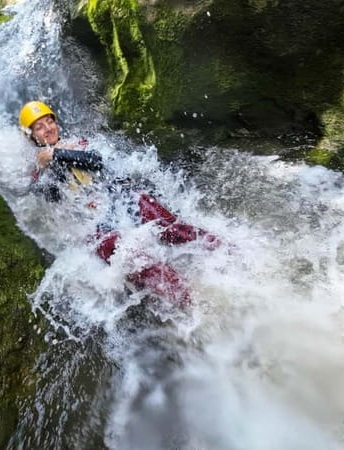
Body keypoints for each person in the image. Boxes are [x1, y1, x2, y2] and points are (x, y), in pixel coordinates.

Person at [18, 101, 218, 306]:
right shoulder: (37, 170)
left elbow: (97, 161)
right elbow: (47, 197)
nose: (48, 129)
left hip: (120, 200)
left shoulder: (77, 144)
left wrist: (56, 154)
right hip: (93, 224)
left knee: (161, 218)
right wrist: (44, 167)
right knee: (130, 255)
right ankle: (191, 301)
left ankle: (226, 252)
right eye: (39, 127)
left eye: (49, 122)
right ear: (32, 136)